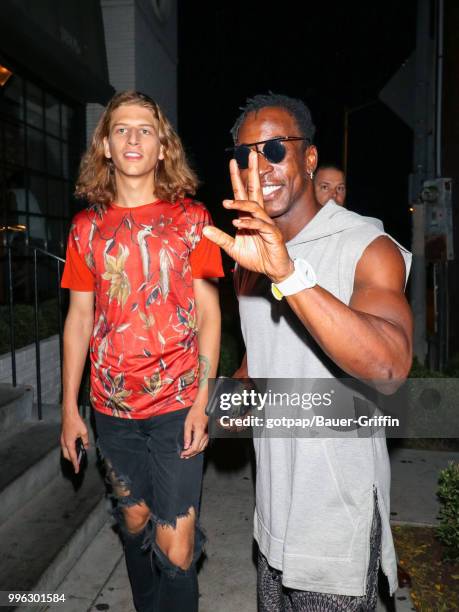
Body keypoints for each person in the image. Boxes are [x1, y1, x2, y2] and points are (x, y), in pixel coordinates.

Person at [204, 93, 413, 611]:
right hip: (273, 519)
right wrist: (212, 409)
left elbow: (390, 368)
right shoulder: (247, 259)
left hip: (335, 526)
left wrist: (289, 275)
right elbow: (263, 365)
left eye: (275, 148)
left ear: (310, 158)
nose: (261, 166)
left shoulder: (366, 245)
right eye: (246, 154)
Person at [60, 90, 223, 612]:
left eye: (145, 130)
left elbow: (209, 314)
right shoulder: (86, 228)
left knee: (175, 548)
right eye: (122, 129)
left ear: (162, 148)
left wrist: (203, 400)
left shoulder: (193, 219)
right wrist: (68, 408)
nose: (133, 138)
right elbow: (79, 319)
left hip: (177, 403)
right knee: (134, 526)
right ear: (105, 145)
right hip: (111, 409)